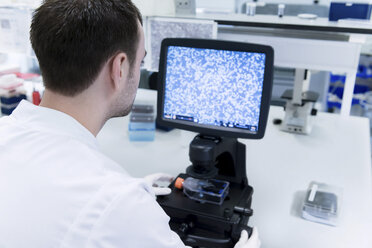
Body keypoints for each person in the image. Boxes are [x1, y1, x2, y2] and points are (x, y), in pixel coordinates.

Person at [0, 0, 260, 247]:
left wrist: (134, 195)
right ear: (120, 67)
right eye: (141, 60)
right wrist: (128, 202)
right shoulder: (119, 203)